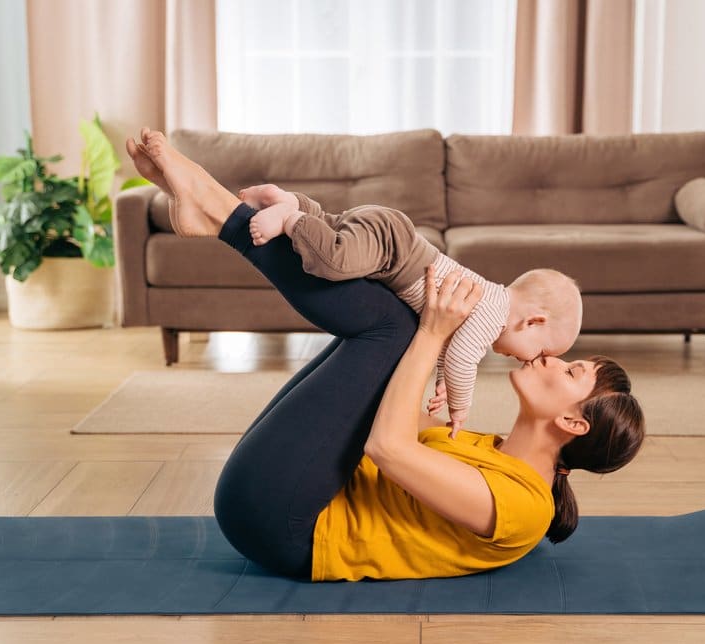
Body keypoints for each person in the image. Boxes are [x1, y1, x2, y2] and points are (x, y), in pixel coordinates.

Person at [125, 127, 645, 582]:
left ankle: (225, 216)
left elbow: (387, 449)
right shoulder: (490, 447)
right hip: (289, 493)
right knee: (399, 323)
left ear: (574, 423)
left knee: (401, 330)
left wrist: (434, 336)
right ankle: (226, 210)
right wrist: (431, 337)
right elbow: (382, 397)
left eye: (571, 369)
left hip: (286, 525)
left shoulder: (525, 507)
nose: (550, 360)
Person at [241, 186, 583, 438]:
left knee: (334, 234)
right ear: (533, 321)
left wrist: (444, 383)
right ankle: (290, 217)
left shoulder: (489, 305)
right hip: (394, 249)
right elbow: (462, 360)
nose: (530, 362)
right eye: (539, 352)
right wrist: (461, 406)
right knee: (332, 260)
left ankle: (295, 203)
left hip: (391, 239)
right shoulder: (494, 315)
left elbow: (446, 342)